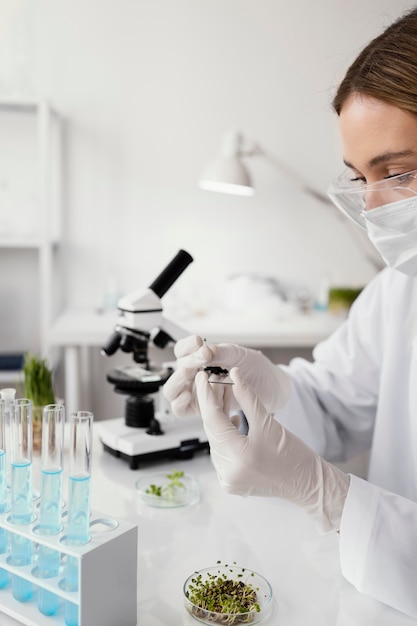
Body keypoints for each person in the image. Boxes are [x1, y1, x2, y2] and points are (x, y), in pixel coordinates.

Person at [163, 6, 417, 620]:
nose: (375, 207)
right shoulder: (401, 290)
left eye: (399, 171)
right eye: (361, 178)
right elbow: (333, 405)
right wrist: (265, 387)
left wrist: (328, 495)